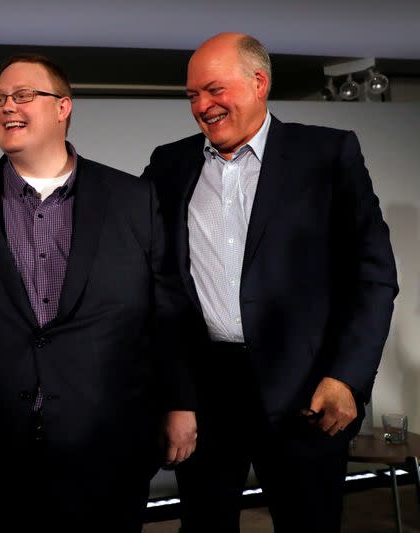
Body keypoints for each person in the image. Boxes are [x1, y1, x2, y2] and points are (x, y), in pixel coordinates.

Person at [0, 53, 195, 533]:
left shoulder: (133, 200)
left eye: (23, 95)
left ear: (63, 107)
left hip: (103, 451)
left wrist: (181, 402)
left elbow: (166, 311)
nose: (7, 107)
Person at [141, 32, 399, 532]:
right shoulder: (168, 165)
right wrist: (175, 393)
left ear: (258, 82)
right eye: (192, 95)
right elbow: (158, 284)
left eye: (214, 90)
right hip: (206, 390)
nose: (202, 106)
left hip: (307, 391)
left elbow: (373, 276)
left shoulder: (327, 154)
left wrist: (346, 376)